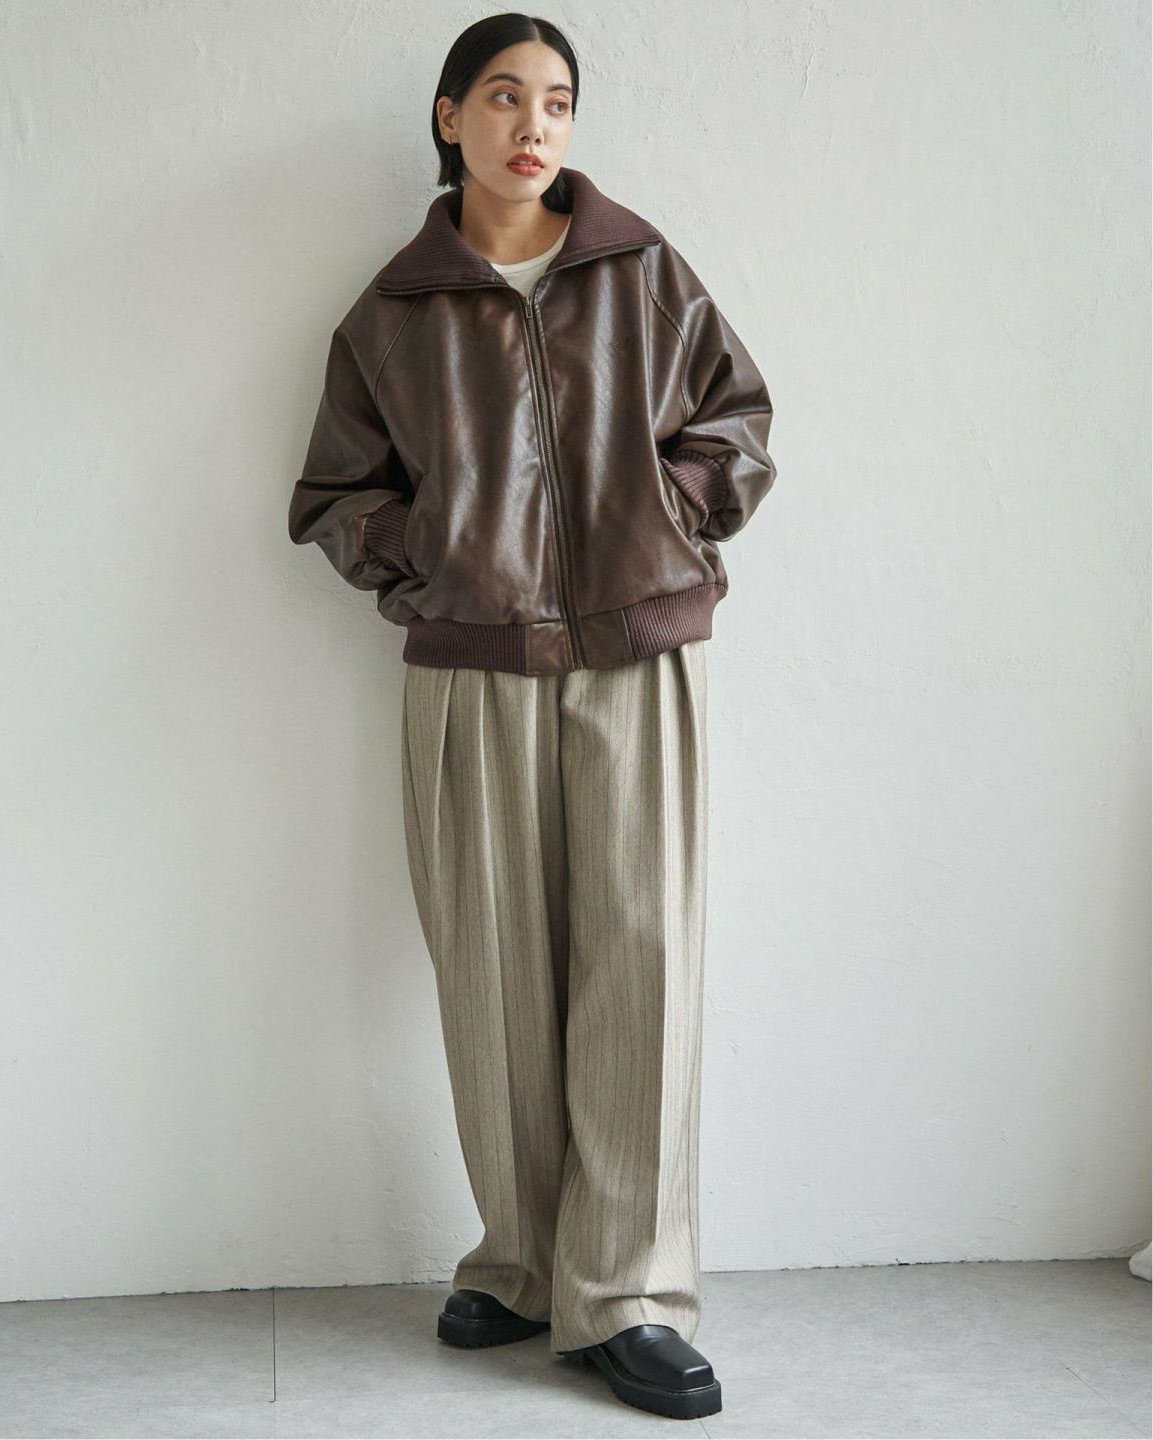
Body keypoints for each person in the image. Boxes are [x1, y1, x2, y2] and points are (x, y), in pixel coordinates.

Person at [287, 12, 776, 1422]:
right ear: (451, 119)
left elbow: (737, 423)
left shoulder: (639, 271)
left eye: (556, 100)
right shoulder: (394, 312)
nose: (533, 125)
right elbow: (334, 496)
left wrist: (666, 517)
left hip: (637, 651)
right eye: (503, 97)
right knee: (490, 973)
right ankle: (522, 1261)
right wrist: (435, 560)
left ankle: (626, 1295)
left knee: (640, 962)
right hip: (472, 667)